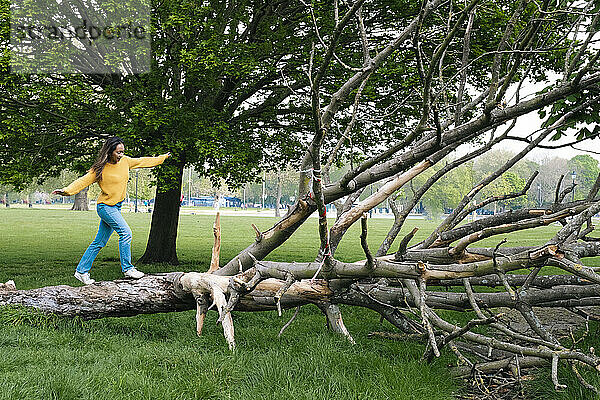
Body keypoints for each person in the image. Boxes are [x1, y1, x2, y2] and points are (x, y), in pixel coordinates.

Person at [53, 137, 170, 285]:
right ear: (109, 151)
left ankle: (81, 271)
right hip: (105, 207)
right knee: (126, 233)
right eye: (118, 152)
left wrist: (162, 158)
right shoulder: (99, 169)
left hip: (116, 207)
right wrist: (66, 191)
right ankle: (128, 268)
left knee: (99, 242)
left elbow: (142, 161)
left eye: (122, 152)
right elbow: (83, 180)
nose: (121, 155)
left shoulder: (126, 161)